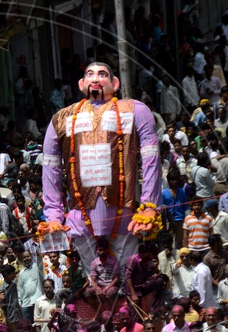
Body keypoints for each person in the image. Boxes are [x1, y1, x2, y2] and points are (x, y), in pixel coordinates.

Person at [42, 61, 161, 274]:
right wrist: (53, 216)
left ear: (115, 83)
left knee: (127, 281)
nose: (95, 79)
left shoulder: (135, 110)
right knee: (93, 283)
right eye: (90, 74)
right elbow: (50, 168)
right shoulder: (61, 118)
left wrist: (149, 206)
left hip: (124, 217)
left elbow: (151, 159)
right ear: (81, 84)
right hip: (80, 219)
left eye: (102, 74)